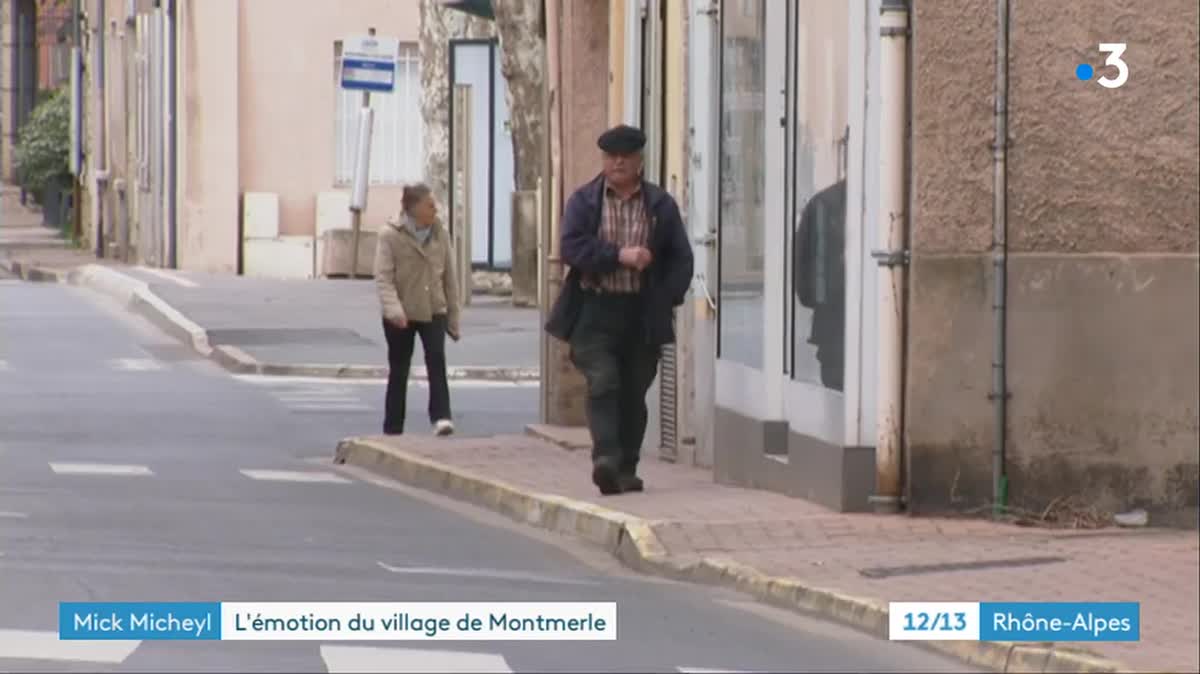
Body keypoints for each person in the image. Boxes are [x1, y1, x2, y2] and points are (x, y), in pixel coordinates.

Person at [545, 124, 694, 495]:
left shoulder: (659, 205)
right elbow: (571, 248)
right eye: (611, 157)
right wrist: (619, 256)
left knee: (633, 391)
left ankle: (626, 466)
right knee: (603, 381)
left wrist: (667, 296)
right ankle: (605, 458)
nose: (618, 163)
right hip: (595, 310)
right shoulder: (585, 201)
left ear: (639, 160)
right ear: (603, 160)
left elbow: (681, 259)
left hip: (641, 313)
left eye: (625, 157)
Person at [373, 183, 461, 436]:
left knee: (436, 359)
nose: (435, 210)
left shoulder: (440, 233)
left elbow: (450, 279)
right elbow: (384, 278)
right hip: (401, 312)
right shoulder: (390, 235)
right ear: (413, 208)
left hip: (434, 308)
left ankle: (441, 417)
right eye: (430, 205)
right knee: (399, 368)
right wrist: (394, 310)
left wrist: (453, 318)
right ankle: (393, 426)